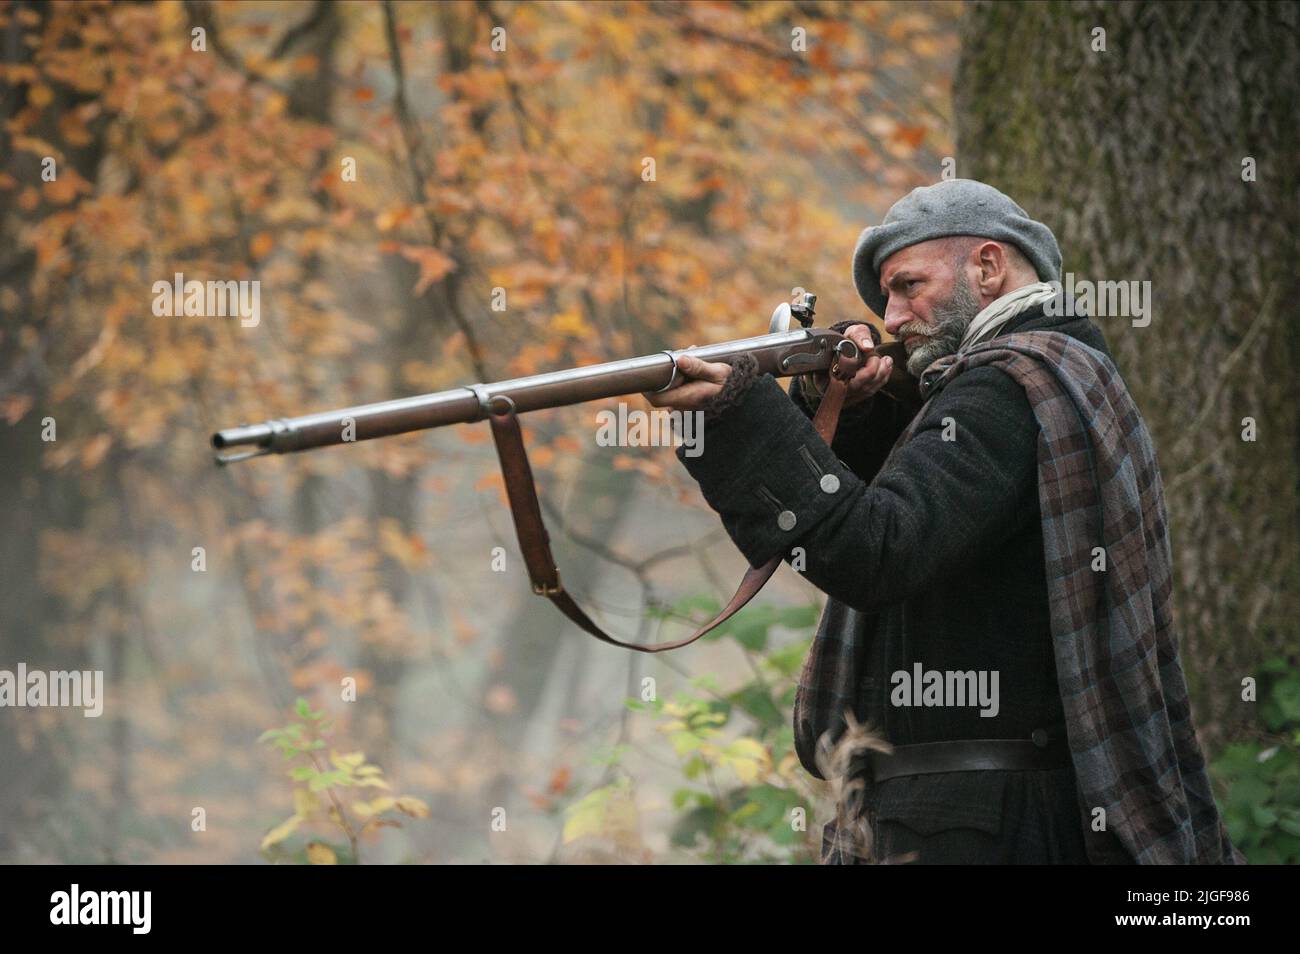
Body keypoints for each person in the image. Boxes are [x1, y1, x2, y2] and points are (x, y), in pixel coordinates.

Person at [644, 178, 1242, 865]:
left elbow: (878, 551)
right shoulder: (1036, 379)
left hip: (976, 825)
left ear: (988, 267)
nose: (892, 318)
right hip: (975, 815)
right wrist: (860, 412)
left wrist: (740, 417)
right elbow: (921, 523)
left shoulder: (1004, 388)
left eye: (907, 286)